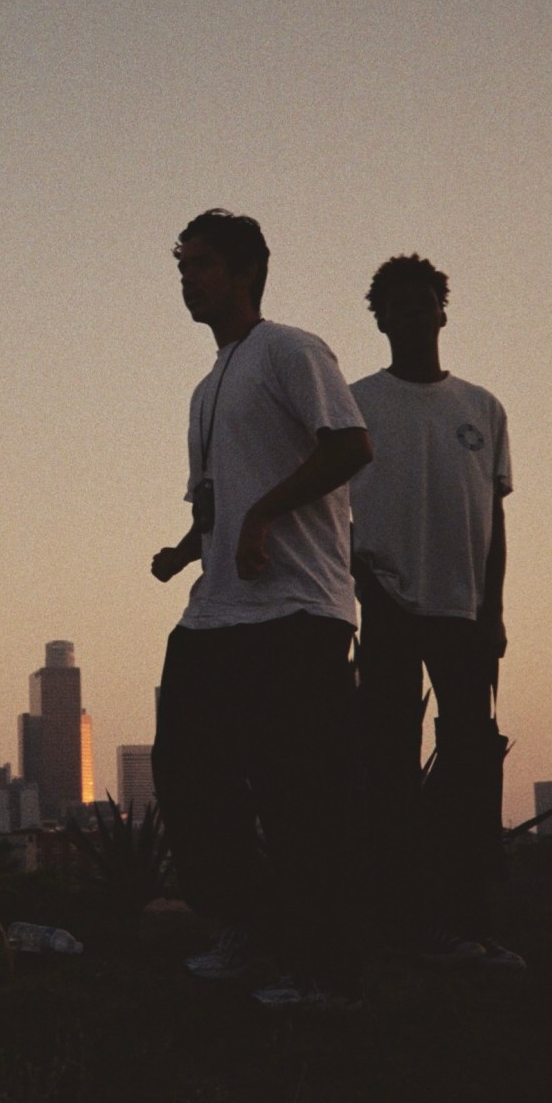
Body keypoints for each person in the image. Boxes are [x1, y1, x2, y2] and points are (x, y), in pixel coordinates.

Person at [150, 209, 372, 1010]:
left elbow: (350, 445)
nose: (187, 278)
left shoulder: (291, 349)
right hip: (218, 611)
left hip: (297, 609)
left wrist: (264, 515)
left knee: (301, 793)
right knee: (186, 770)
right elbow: (216, 499)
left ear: (244, 271)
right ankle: (250, 927)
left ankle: (326, 973)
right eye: (182, 264)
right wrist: (185, 548)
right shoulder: (207, 388)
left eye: (201, 264)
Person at [350, 254, 522, 969]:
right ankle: (393, 921)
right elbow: (333, 511)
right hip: (387, 606)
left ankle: (468, 919)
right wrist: (363, 581)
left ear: (443, 311)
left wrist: (494, 609)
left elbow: (496, 520)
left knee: (470, 767)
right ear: (381, 318)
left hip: (464, 614)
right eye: (400, 305)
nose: (415, 315)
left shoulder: (482, 409)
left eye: (425, 303)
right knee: (387, 767)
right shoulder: (354, 403)